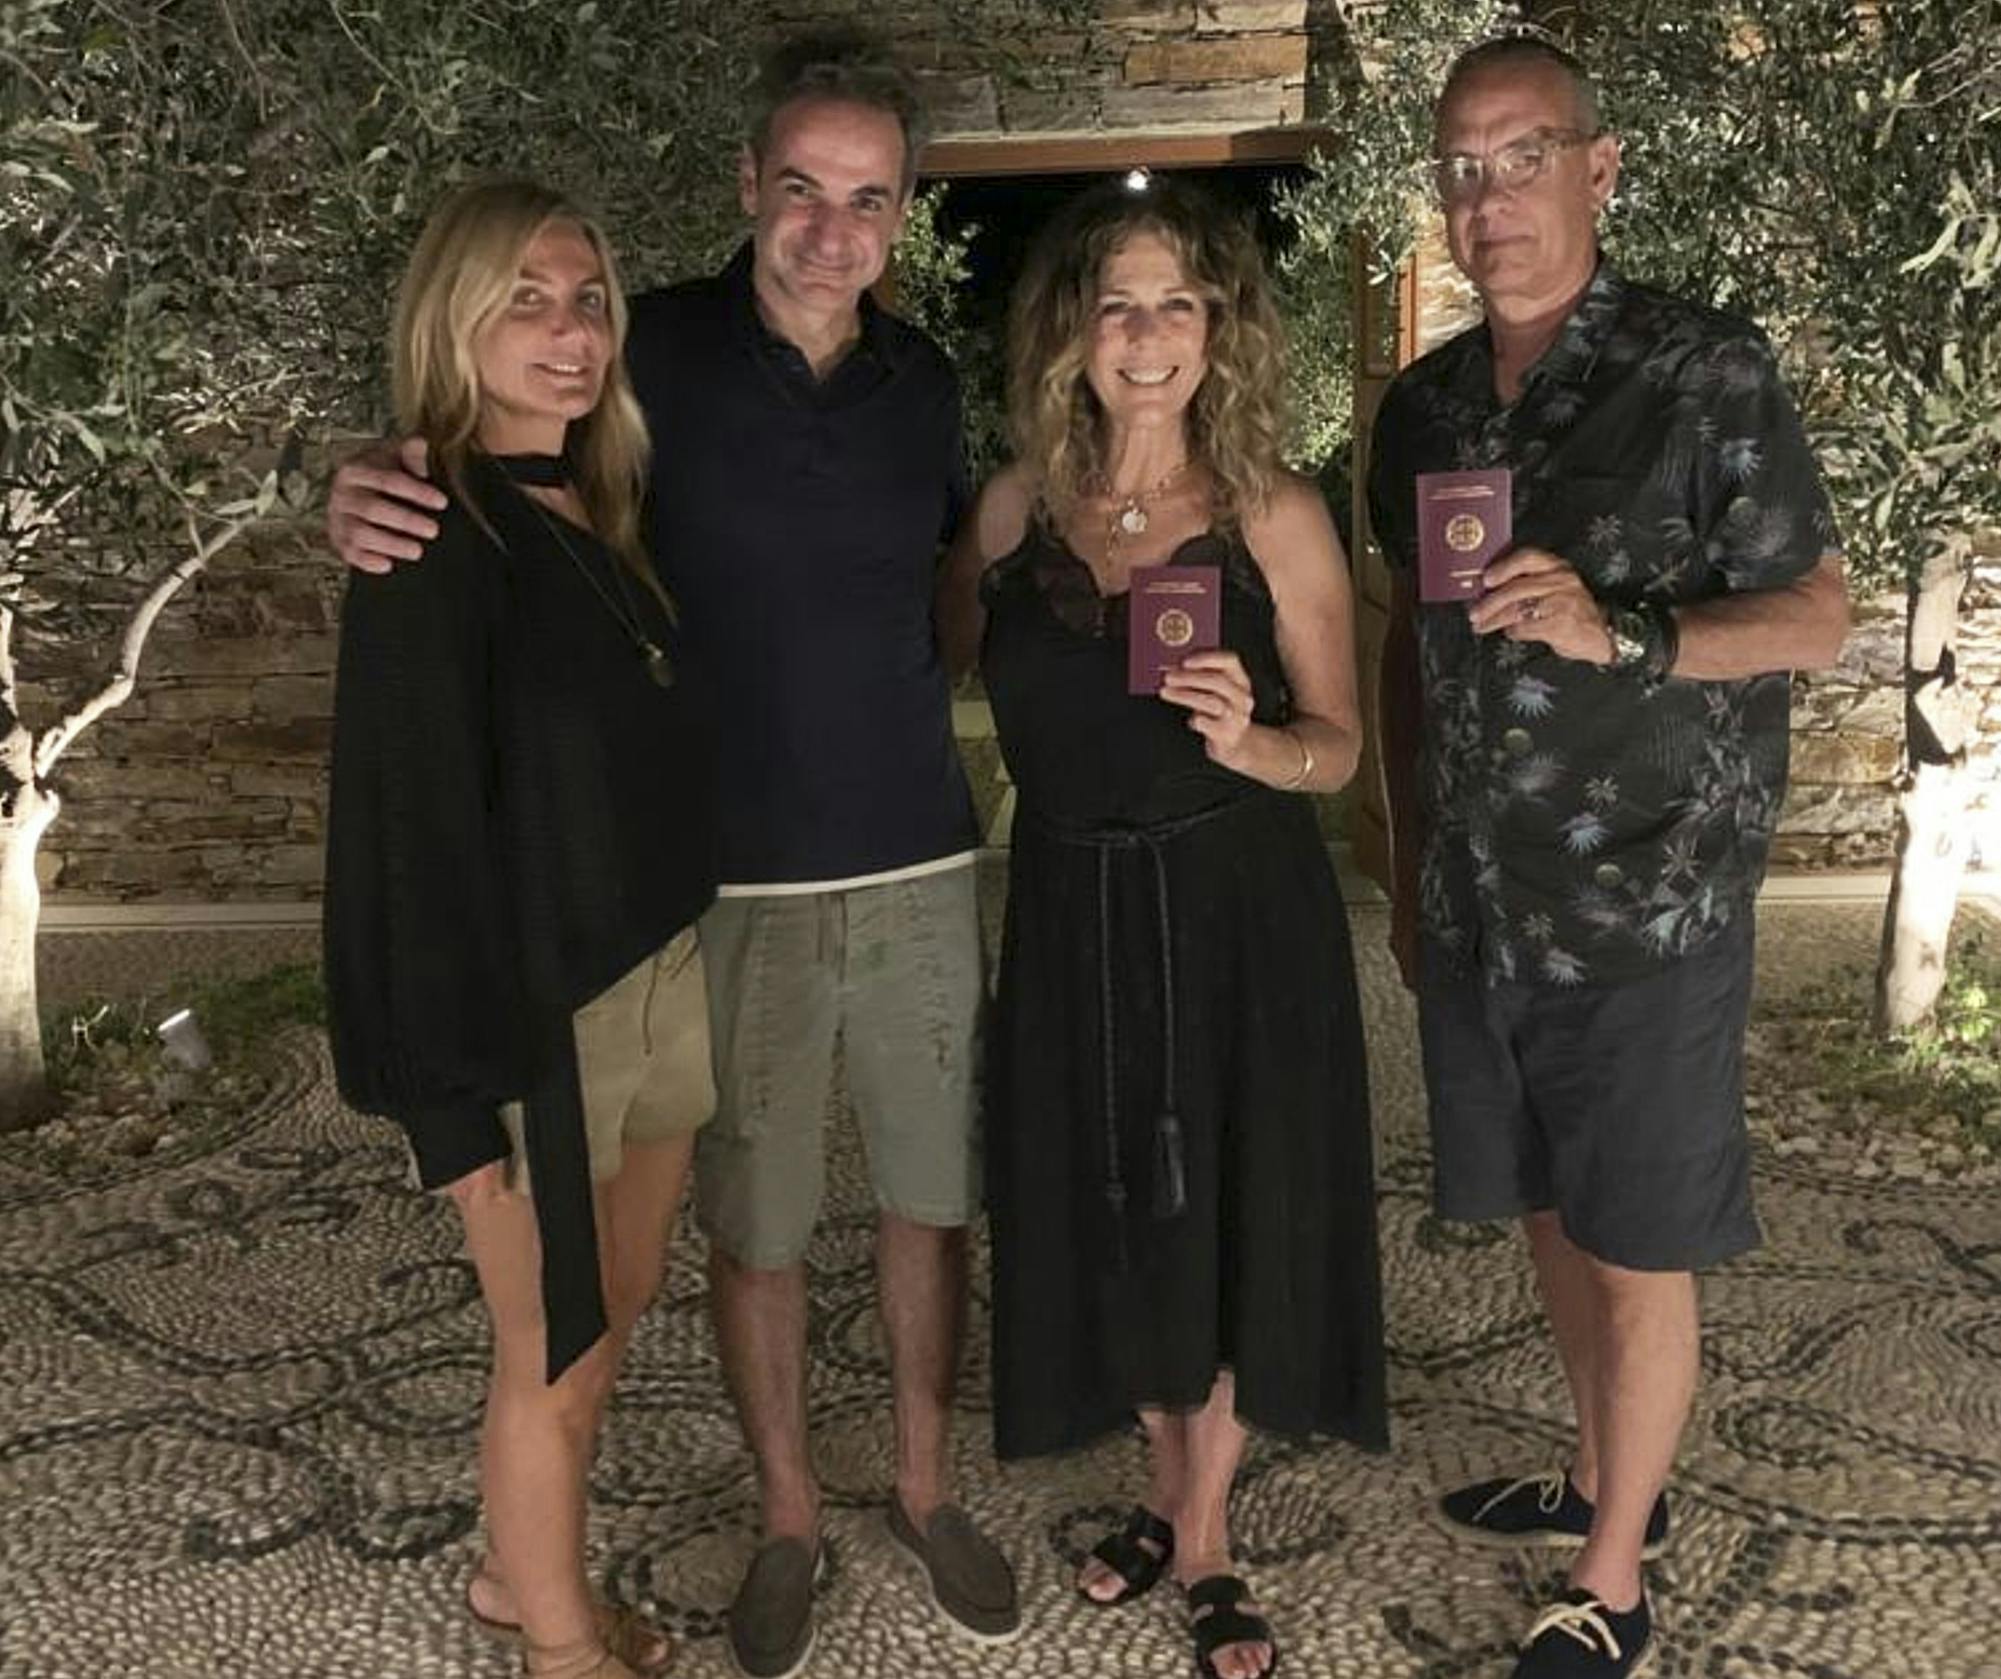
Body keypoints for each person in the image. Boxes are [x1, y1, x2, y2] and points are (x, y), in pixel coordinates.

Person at [324, 33, 1019, 1678]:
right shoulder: (652, 372)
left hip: (889, 867)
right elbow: (450, 520)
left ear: (904, 217)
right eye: (802, 189)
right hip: (712, 899)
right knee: (730, 1237)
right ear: (748, 192)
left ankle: (916, 1493)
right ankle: (778, 1525)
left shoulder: (914, 387)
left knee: (910, 1203)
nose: (832, 228)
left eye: (869, 200)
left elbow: (950, 578)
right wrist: (353, 479)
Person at [1369, 34, 1852, 1679]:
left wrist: (1625, 627)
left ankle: (1619, 1581)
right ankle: (1600, 1480)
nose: (1487, 197)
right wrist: (1404, 850)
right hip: (1483, 902)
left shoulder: (1704, 370)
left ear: (1602, 166)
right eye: (1462, 165)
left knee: (1639, 1241)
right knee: (1551, 1218)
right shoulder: (1424, 404)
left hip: (1649, 903)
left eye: (1522, 156)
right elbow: (1408, 649)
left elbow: (1820, 616)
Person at [939, 175, 1389, 1679]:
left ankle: (1200, 1536)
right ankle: (1160, 1479)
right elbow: (912, 659)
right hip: (1070, 907)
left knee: (1232, 1199)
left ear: (1220, 329)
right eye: (1115, 302)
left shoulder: (1274, 511)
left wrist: (1264, 744)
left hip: (1237, 909)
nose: (1145, 336)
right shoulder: (1011, 510)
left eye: (1175, 305)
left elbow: (1343, 745)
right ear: (1071, 326)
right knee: (1110, 1200)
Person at [324, 178, 716, 1679]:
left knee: (606, 1320)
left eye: (589, 300)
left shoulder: (602, 505)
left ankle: (512, 1575)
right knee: (548, 1351)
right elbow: (399, 835)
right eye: (528, 301)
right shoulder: (426, 529)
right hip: (531, 1018)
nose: (569, 334)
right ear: (456, 320)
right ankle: (560, 1647)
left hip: (658, 968)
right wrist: (443, 1098)